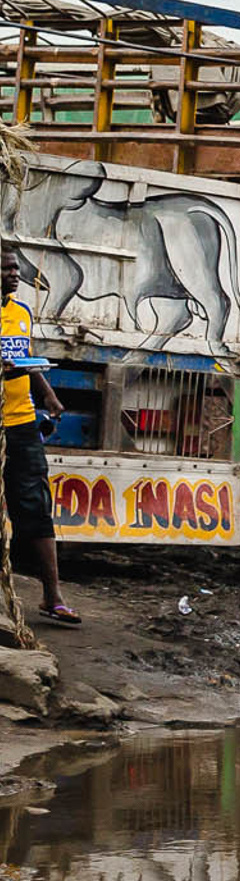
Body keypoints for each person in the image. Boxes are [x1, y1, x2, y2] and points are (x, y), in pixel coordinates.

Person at [0, 258, 74, 625]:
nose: (14, 275)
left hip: (22, 424)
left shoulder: (21, 312)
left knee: (36, 508)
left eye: (15, 269)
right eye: (5, 269)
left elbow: (24, 358)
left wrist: (47, 393)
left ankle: (52, 596)